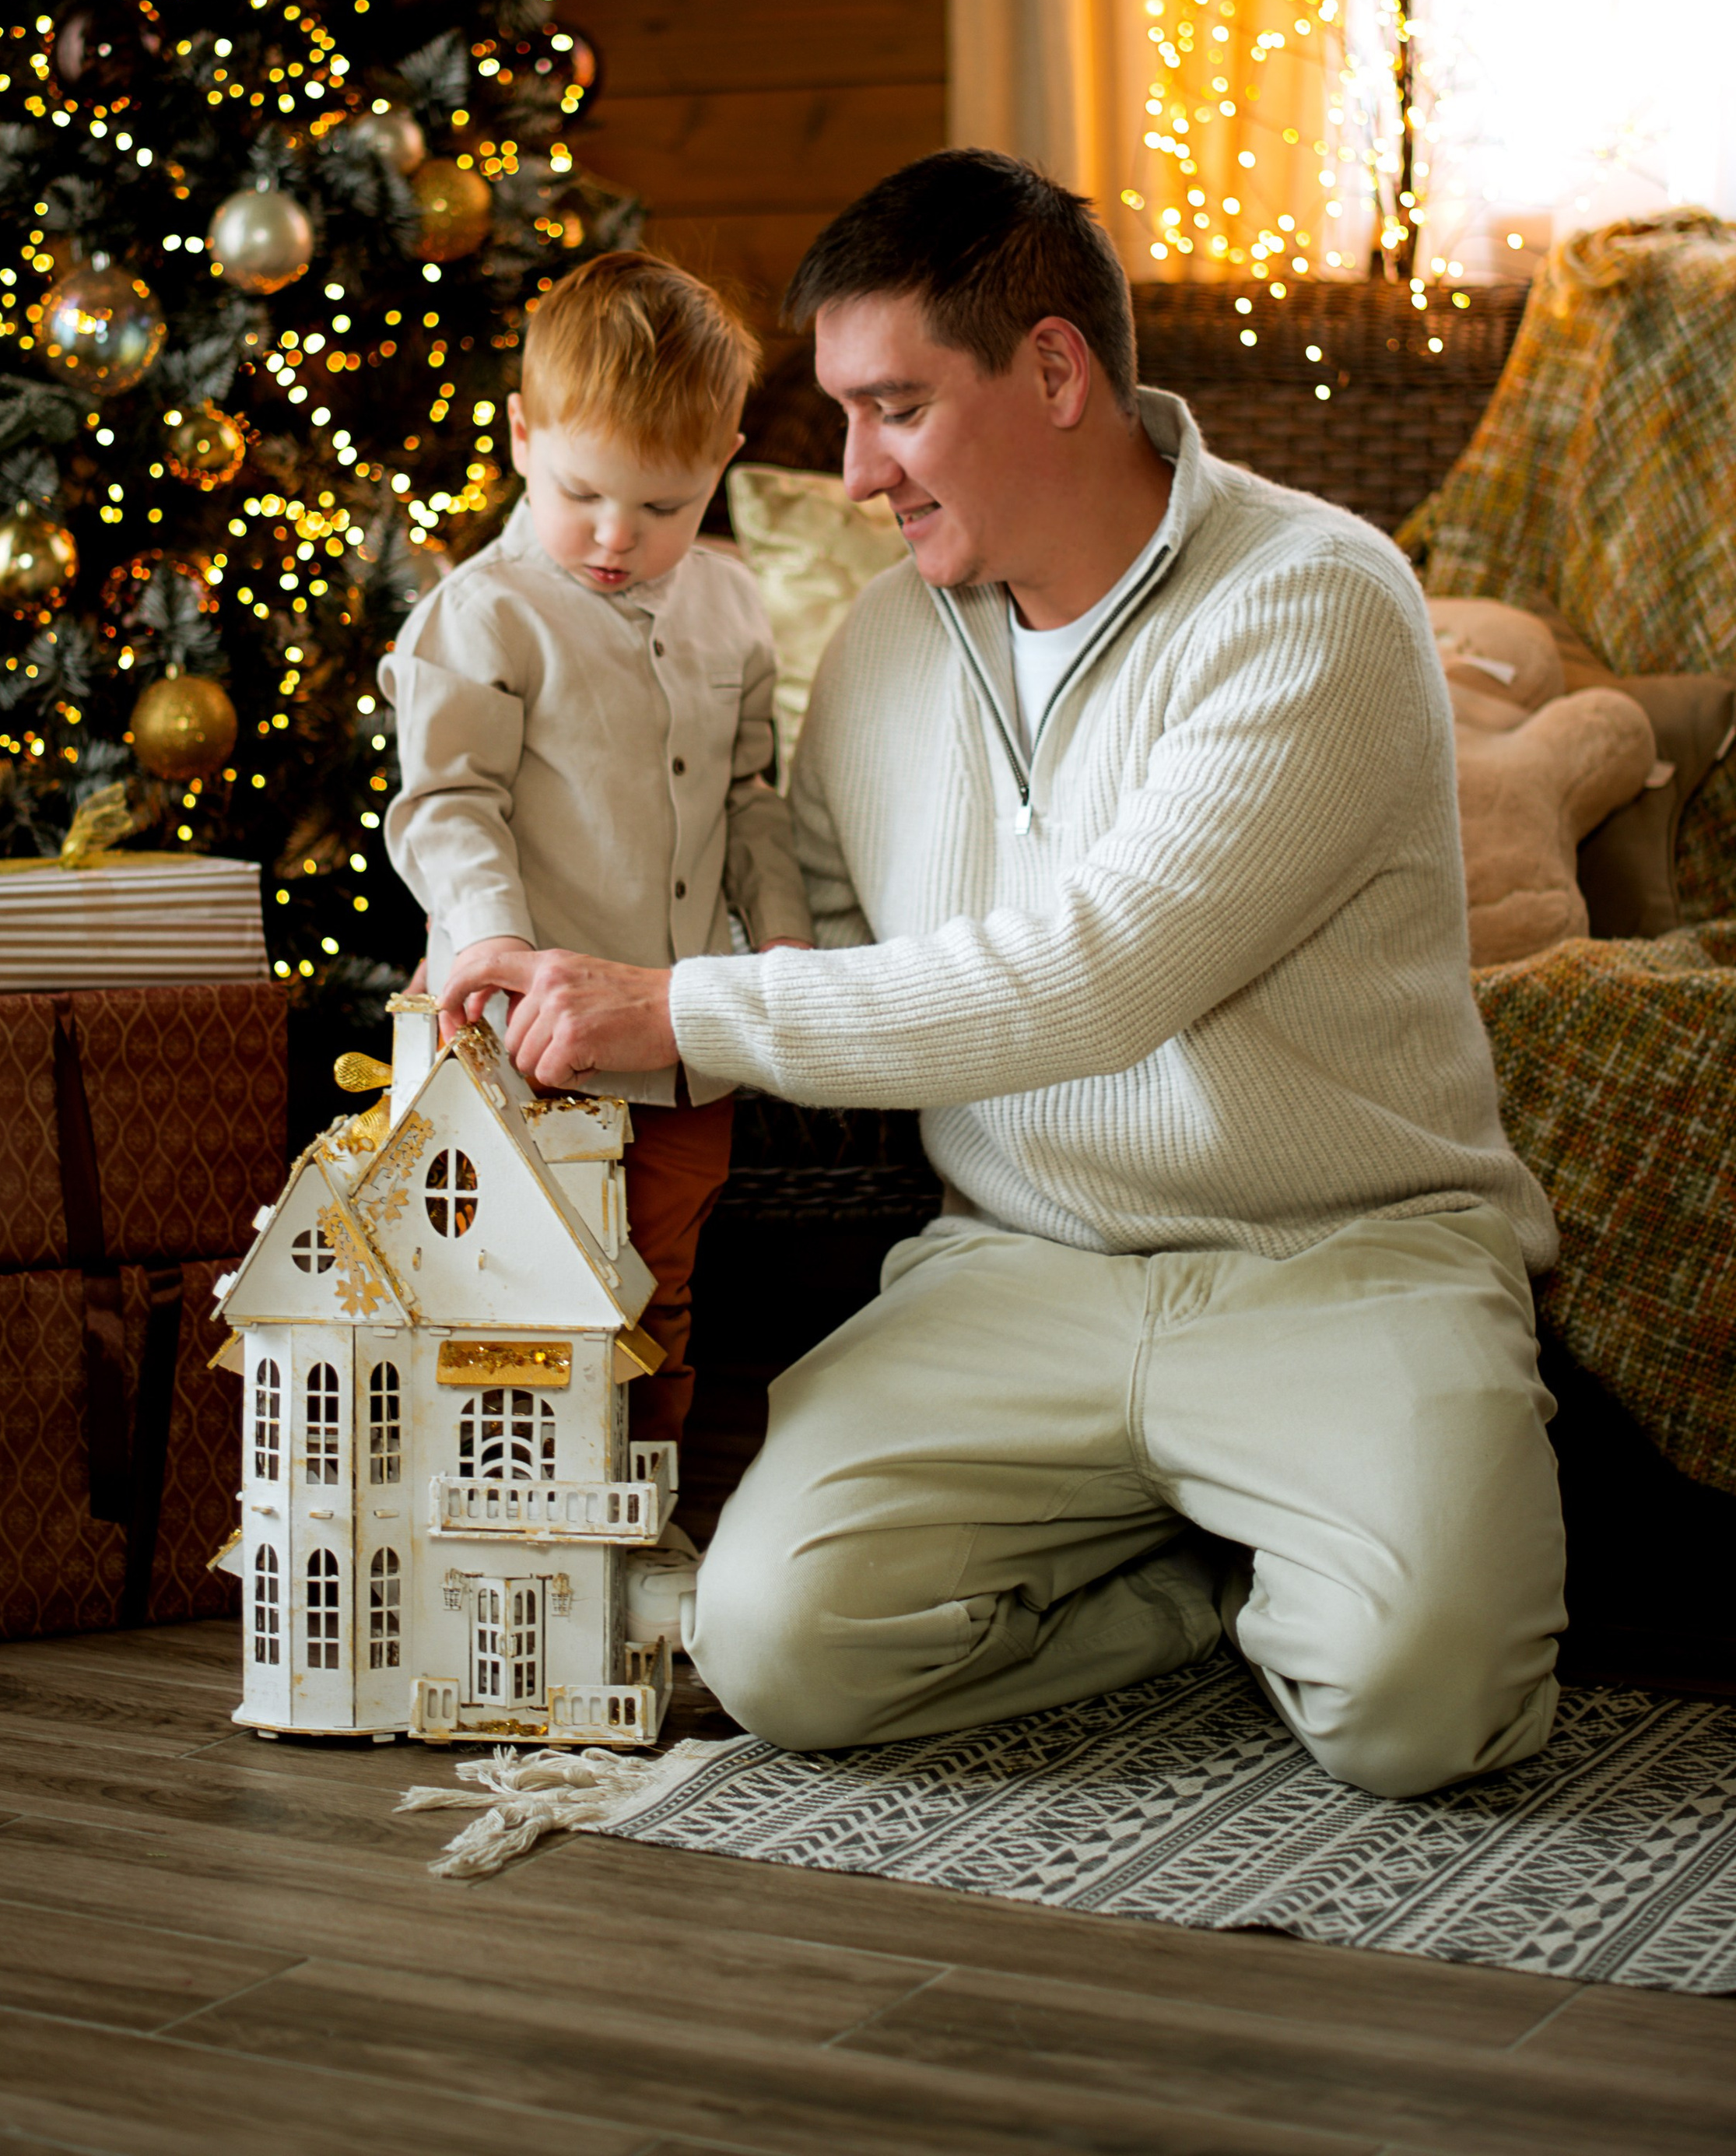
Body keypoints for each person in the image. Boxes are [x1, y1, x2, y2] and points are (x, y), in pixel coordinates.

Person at [440, 152, 1568, 1800]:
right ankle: (1192, 1587)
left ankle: (1292, 1550)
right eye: (835, 414)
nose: (848, 474)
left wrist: (663, 1006)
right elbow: (814, 941)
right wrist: (536, 922)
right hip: (1014, 1270)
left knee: (1419, 1713)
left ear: (1052, 370)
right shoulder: (889, 645)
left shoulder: (1314, 599)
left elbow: (1095, 976)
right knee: (774, 1653)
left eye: (890, 407)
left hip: (1340, 1258)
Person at [383, 250, 812, 1445]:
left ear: (721, 460)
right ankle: (508, 1503)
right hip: (522, 1039)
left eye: (664, 507)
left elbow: (750, 793)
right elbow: (446, 802)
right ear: (522, 436)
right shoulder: (484, 613)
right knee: (513, 1289)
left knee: (658, 1287)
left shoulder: (729, 601)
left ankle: (642, 1506)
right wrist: (495, 940)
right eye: (584, 493)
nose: (617, 535)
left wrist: (782, 934)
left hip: (682, 1041)